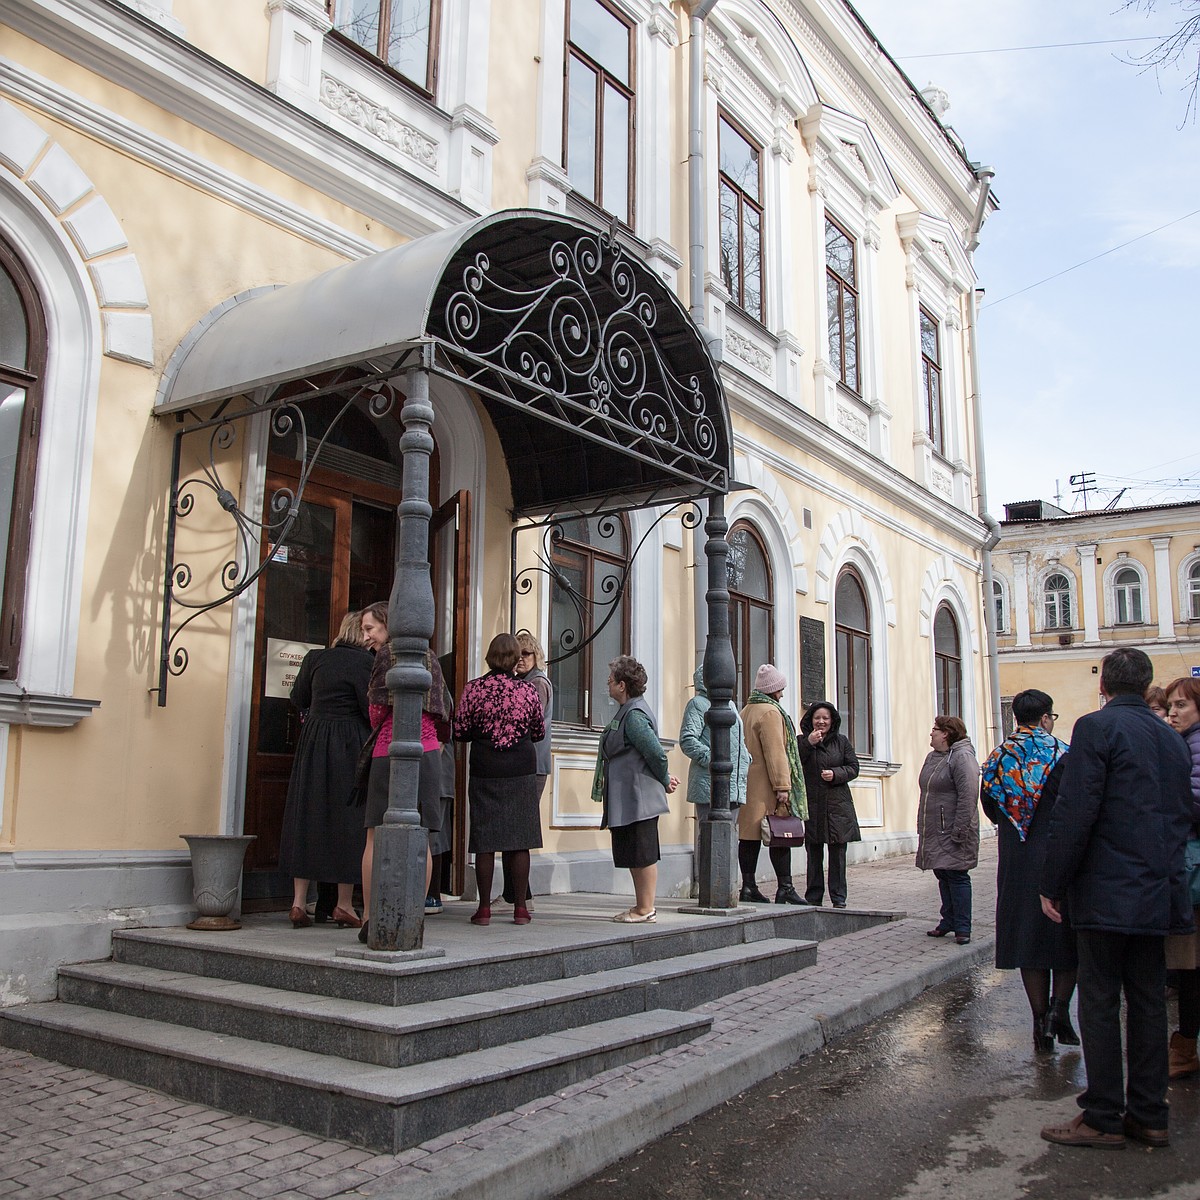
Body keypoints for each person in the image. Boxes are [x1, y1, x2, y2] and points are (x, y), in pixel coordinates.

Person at [1039, 647, 1193, 1150]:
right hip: (1157, 889)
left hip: (1106, 889)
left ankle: (1103, 1115)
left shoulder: (1096, 728)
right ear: (1145, 684)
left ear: (1103, 685)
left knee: (1101, 999)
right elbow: (1180, 813)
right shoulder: (1171, 739)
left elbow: (1077, 809)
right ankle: (1150, 1114)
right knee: (1148, 1002)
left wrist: (1053, 882)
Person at [980, 689, 1077, 1054]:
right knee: (1064, 935)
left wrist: (1015, 824)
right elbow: (1075, 803)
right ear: (1046, 717)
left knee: (1027, 937)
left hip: (1017, 856)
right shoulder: (1062, 752)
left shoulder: (999, 755)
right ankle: (1059, 1010)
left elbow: (989, 802)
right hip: (1059, 852)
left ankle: (1039, 1022)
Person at [358, 602, 451, 944]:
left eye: (370, 628)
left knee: (374, 835)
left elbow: (376, 709)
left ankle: (369, 915)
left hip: (389, 748)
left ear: (388, 625)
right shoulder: (431, 657)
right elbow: (444, 709)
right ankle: (413, 913)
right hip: (427, 752)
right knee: (422, 837)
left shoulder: (387, 654)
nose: (366, 636)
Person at [278, 611, 372, 929]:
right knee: (349, 819)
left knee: (308, 813)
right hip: (349, 742)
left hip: (315, 740)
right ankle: (344, 904)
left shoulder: (316, 657)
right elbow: (368, 708)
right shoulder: (365, 664)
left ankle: (298, 902)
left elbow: (298, 697)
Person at [455, 633, 545, 927]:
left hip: (485, 768)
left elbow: (460, 731)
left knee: (484, 840)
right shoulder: (528, 691)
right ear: (515, 659)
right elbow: (539, 731)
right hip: (520, 768)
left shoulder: (474, 689)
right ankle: (520, 908)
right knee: (520, 841)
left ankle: (483, 909)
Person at [592, 655, 679, 923]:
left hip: (637, 797)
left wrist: (664, 778)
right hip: (628, 797)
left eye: (610, 681)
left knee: (642, 852)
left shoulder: (634, 715)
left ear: (622, 685)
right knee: (634, 851)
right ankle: (641, 906)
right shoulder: (628, 710)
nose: (607, 685)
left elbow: (655, 752)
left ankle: (645, 909)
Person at [737, 665, 808, 905]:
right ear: (772, 689)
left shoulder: (747, 709)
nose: (783, 693)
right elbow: (776, 752)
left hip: (748, 783)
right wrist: (783, 786)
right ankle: (785, 887)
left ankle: (748, 887)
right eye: (780, 688)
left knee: (748, 838)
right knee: (781, 834)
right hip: (766, 785)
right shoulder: (770, 713)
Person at [494, 632, 554, 910]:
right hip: (525, 762)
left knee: (518, 829)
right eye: (518, 655)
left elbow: (530, 724)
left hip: (532, 763)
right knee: (512, 828)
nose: (521, 660)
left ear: (536, 656)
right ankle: (515, 894)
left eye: (526, 655)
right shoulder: (522, 682)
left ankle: (520, 896)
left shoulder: (537, 683)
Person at [679, 663, 751, 893]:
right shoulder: (698, 704)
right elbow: (688, 739)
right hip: (709, 782)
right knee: (708, 835)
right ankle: (706, 885)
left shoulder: (729, 704)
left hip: (734, 782)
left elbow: (736, 740)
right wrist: (713, 759)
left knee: (729, 834)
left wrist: (745, 757)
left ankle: (726, 883)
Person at [915, 716, 980, 946]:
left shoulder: (962, 757)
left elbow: (969, 794)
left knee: (957, 874)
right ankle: (948, 920)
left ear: (946, 734)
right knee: (943, 873)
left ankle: (963, 926)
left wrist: (960, 829)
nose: (931, 733)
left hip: (953, 828)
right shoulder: (933, 757)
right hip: (935, 827)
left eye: (935, 730)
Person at [1164, 675, 1200, 1079]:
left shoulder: (1195, 744)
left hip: (1193, 871)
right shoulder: (1185, 742)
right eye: (1171, 705)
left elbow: (1193, 801)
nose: (1173, 712)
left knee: (1190, 965)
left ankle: (1186, 1047)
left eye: (1181, 706)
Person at [798, 700, 860, 908]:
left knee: (837, 855)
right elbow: (794, 763)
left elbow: (853, 767)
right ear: (810, 721)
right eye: (817, 718)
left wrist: (836, 774)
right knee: (814, 853)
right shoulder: (802, 741)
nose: (821, 722)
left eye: (825, 718)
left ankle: (838, 897)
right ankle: (813, 896)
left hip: (837, 806)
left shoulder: (841, 742)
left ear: (832, 721)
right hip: (814, 804)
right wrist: (809, 743)